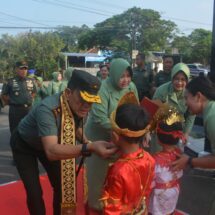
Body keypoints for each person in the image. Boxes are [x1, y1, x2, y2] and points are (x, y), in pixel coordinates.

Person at [10, 70, 117, 215]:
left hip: (51, 142)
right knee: (35, 192)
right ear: (68, 93)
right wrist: (89, 147)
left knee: (63, 185)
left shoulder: (76, 105)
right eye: (83, 101)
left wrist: (88, 141)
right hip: (25, 144)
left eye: (91, 102)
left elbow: (76, 126)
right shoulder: (48, 109)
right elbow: (52, 151)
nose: (87, 106)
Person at [85, 58, 138, 212]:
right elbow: (100, 117)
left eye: (128, 76)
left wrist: (140, 129)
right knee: (98, 177)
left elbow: (135, 109)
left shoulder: (131, 87)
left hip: (121, 138)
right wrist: (123, 133)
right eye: (122, 76)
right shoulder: (102, 88)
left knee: (118, 176)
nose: (125, 80)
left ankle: (114, 206)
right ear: (113, 74)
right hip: (99, 136)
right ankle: (95, 206)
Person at [100, 96, 155, 214]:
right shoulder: (149, 159)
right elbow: (146, 191)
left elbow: (112, 210)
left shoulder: (119, 171)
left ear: (115, 135)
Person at [172, 76, 215, 170]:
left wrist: (189, 161)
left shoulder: (212, 117)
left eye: (186, 98)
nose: (185, 103)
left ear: (198, 97)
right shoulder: (210, 111)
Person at [149, 108, 185, 215]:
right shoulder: (180, 155)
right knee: (169, 210)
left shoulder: (155, 160)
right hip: (174, 190)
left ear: (159, 140)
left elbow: (150, 182)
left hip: (160, 195)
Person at [153, 63, 195, 142]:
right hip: (160, 132)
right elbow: (152, 112)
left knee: (175, 153)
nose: (179, 83)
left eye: (183, 80)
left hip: (178, 132)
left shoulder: (190, 93)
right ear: (172, 78)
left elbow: (191, 116)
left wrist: (186, 133)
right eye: (176, 79)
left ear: (187, 80)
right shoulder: (161, 90)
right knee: (158, 153)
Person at [1, 60, 36, 133]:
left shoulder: (31, 81)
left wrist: (28, 99)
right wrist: (12, 102)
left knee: (29, 131)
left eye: (25, 68)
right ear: (16, 69)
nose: (24, 71)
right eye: (21, 68)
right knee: (15, 131)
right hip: (15, 111)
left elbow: (33, 92)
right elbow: (3, 95)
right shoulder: (10, 82)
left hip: (28, 110)